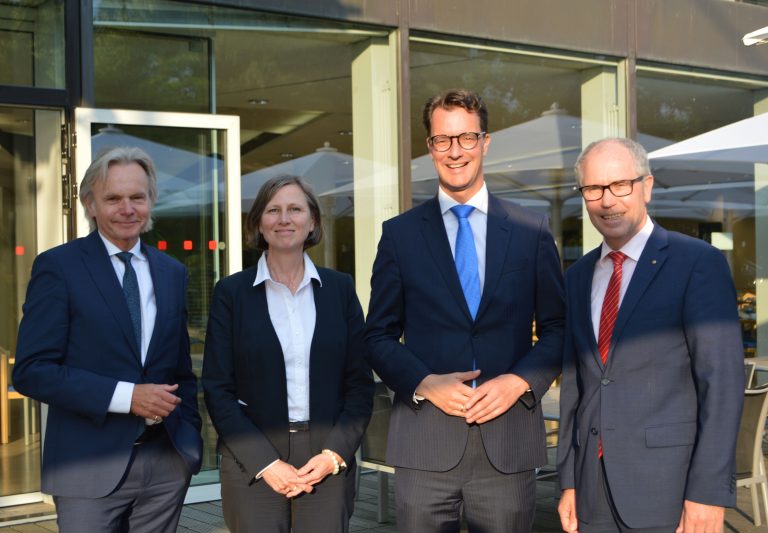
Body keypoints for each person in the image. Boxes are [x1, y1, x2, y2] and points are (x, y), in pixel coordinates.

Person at [364, 89, 565, 532]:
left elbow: (557, 328)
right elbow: (376, 335)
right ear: (430, 147)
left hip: (507, 444)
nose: (455, 151)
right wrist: (424, 382)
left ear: (485, 142)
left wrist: (518, 382)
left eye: (467, 138)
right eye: (443, 139)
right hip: (425, 444)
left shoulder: (531, 231)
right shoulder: (399, 235)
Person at [557, 137, 744, 533]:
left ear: (647, 186)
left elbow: (722, 386)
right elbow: (577, 386)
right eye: (594, 189)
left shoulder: (697, 263)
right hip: (592, 489)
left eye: (620, 184)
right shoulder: (577, 277)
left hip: (669, 490)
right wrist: (570, 480)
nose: (607, 200)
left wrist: (708, 493)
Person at [12, 146, 203, 532]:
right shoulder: (58, 267)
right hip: (87, 467)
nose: (127, 209)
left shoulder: (171, 271)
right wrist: (127, 397)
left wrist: (189, 443)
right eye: (113, 198)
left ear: (151, 201)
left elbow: (180, 368)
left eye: (137, 197)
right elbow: (32, 371)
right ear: (90, 204)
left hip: (166, 463)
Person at [202, 175, 373, 533]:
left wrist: (334, 454)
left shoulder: (340, 289)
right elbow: (218, 388)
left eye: (295, 209)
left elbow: (359, 384)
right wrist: (265, 462)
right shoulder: (231, 293)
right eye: (273, 210)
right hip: (252, 460)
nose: (284, 219)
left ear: (312, 221)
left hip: (326, 459)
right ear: (258, 223)